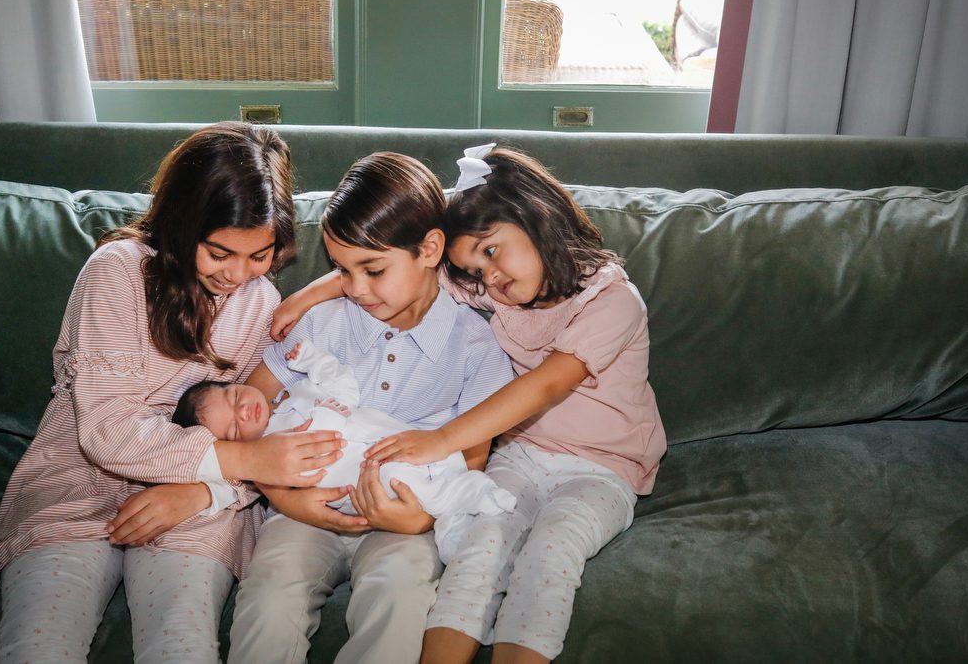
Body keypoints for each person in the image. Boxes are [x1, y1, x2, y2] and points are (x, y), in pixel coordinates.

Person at [282, 143, 667, 663]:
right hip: (518, 459)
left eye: (491, 252)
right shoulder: (500, 289)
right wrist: (304, 298)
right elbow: (396, 261)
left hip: (603, 469)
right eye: (477, 271)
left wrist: (442, 439)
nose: (490, 280)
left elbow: (547, 385)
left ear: (538, 216)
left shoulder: (612, 301)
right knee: (479, 548)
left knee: (549, 554)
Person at [0, 122, 345, 664]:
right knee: (39, 647)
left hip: (205, 499)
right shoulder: (118, 272)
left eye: (259, 255)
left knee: (182, 647)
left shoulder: (260, 303)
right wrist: (243, 459)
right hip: (77, 480)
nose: (238, 274)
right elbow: (105, 430)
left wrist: (204, 492)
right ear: (182, 224)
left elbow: (258, 425)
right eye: (220, 253)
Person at [226, 152, 515, 664]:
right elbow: (243, 414)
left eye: (373, 270)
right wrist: (278, 493)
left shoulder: (476, 345)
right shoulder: (322, 324)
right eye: (342, 270)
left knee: (401, 600)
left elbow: (470, 464)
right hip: (302, 511)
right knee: (269, 600)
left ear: (430, 249)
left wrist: (419, 522)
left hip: (401, 520)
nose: (356, 288)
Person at [172, 341, 515, 562]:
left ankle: (464, 496)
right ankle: (465, 509)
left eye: (234, 397)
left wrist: (311, 358)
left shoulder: (299, 391)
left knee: (436, 459)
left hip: (401, 440)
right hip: (372, 482)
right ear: (237, 446)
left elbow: (344, 384)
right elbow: (303, 483)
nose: (244, 411)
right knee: (403, 482)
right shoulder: (269, 457)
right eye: (234, 428)